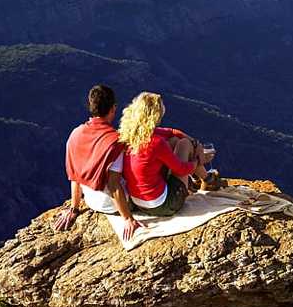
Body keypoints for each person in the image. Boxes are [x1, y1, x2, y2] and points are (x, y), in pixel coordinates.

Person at [56, 85, 143, 237]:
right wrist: (128, 218)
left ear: (91, 106)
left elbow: (75, 176)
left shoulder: (75, 134)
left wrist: (74, 209)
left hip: (91, 201)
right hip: (112, 206)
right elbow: (113, 184)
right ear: (113, 108)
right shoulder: (115, 141)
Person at [113, 92, 212, 218]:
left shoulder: (128, 135)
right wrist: (197, 161)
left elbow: (171, 132)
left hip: (139, 203)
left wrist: (196, 143)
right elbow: (181, 169)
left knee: (174, 141)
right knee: (184, 144)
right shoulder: (155, 142)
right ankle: (207, 179)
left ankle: (205, 178)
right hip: (164, 206)